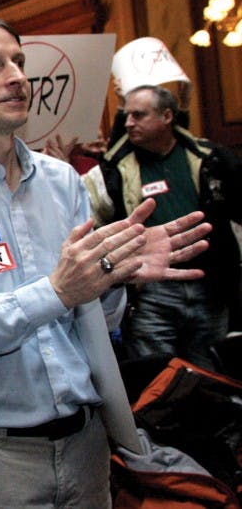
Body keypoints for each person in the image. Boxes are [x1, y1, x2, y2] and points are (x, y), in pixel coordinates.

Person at [0, 16, 212, 507]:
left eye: (19, 62)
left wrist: (114, 278)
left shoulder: (62, 182)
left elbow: (96, 322)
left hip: (86, 449)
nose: (16, 76)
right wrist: (55, 292)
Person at [83, 84, 241, 369]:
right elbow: (90, 222)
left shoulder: (209, 158)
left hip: (209, 287)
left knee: (210, 379)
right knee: (156, 378)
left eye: (138, 115)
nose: (128, 122)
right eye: (127, 115)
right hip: (151, 294)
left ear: (167, 116)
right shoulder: (114, 169)